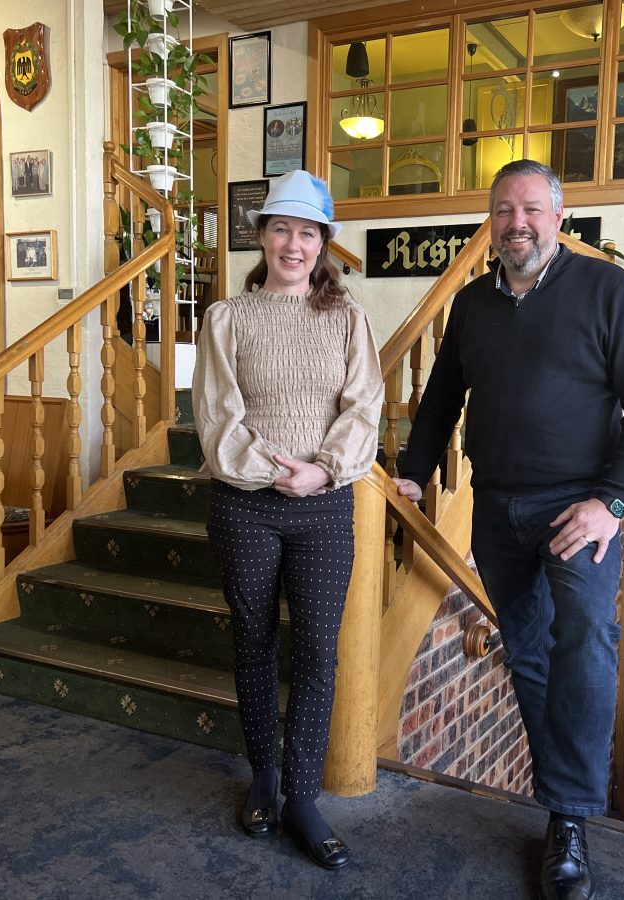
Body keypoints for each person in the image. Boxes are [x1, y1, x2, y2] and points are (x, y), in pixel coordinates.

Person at [393, 159, 624, 900]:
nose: (516, 223)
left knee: (584, 645)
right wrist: (414, 472)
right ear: (491, 222)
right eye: (503, 211)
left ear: (558, 216)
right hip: (497, 509)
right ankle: (565, 807)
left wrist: (610, 503)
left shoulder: (605, 288)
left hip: (577, 511)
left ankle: (572, 823)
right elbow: (441, 397)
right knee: (529, 654)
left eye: (531, 209)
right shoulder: (475, 305)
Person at [192, 169, 383, 871]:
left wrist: (323, 470)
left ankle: (304, 796)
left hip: (327, 508)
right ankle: (264, 780)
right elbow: (216, 413)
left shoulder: (348, 318)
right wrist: (276, 471)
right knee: (252, 643)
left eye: (307, 232)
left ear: (323, 242)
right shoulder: (228, 318)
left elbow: (363, 408)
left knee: (316, 654)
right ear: (262, 236)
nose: (293, 244)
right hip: (247, 505)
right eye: (281, 229)